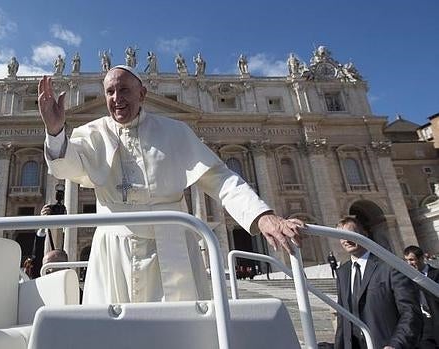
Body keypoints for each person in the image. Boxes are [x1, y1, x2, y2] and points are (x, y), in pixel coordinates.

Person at [38, 65, 303, 305]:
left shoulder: (175, 132)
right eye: (110, 92)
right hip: (113, 250)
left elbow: (220, 178)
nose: (116, 98)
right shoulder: (92, 133)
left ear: (142, 94)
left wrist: (262, 215)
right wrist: (55, 132)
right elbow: (66, 166)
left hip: (172, 247)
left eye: (124, 90)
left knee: (180, 331)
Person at [334, 217, 421, 349]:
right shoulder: (342, 272)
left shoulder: (391, 266)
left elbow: (410, 311)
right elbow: (342, 318)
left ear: (364, 234)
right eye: (341, 236)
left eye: (350, 234)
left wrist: (396, 344)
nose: (346, 240)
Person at [403, 245, 439, 349]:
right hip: (423, 327)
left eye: (412, 260)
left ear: (422, 258)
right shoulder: (406, 278)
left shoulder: (436, 274)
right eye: (406, 260)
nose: (409, 263)